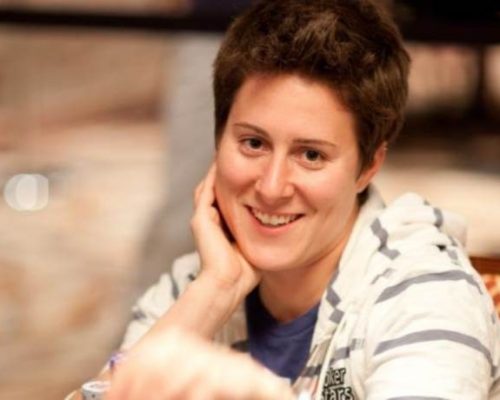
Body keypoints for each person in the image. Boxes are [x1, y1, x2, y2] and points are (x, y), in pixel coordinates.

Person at [79, 0, 500, 398]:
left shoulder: (424, 293)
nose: (272, 187)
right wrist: (217, 290)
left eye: (311, 155)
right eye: (253, 143)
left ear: (369, 165)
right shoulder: (191, 283)